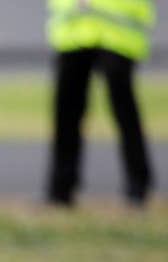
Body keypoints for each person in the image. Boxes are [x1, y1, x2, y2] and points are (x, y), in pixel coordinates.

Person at [45, 0, 156, 207]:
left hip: (117, 30)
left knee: (125, 112)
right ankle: (60, 191)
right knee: (65, 114)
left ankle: (138, 186)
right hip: (73, 28)